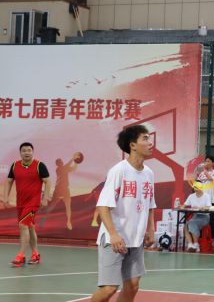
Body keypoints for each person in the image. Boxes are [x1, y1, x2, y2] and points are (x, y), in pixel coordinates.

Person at [91, 125, 156, 302]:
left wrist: (151, 229)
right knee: (109, 289)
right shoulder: (118, 171)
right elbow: (103, 206)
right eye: (145, 138)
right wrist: (113, 234)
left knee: (133, 285)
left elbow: (150, 204)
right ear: (132, 145)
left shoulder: (149, 174)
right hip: (114, 239)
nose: (150, 143)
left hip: (136, 239)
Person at [3, 142, 51, 267]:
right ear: (20, 153)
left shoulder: (39, 165)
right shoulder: (15, 165)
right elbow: (9, 181)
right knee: (30, 227)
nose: (27, 153)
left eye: (29, 150)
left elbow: (47, 181)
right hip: (21, 202)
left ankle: (21, 256)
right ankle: (35, 254)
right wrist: (5, 197)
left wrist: (45, 198)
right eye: (24, 151)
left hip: (33, 202)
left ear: (32, 152)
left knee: (23, 225)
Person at [194, 155, 214, 240]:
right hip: (201, 200)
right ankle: (200, 238)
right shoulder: (202, 173)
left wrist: (204, 171)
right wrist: (197, 176)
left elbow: (211, 179)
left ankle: (213, 238)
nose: (206, 163)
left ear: (213, 163)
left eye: (208, 161)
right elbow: (197, 184)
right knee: (199, 219)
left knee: (211, 220)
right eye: (205, 161)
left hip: (210, 200)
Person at [49, 153, 79, 230]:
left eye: (61, 161)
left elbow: (74, 168)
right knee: (52, 205)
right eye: (60, 162)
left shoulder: (65, 168)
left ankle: (68, 221)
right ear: (57, 164)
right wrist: (73, 158)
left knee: (68, 205)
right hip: (58, 189)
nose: (61, 163)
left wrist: (76, 162)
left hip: (65, 189)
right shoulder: (59, 169)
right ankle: (46, 216)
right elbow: (67, 166)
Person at [182, 182, 212, 252]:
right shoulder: (191, 196)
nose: (196, 190)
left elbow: (208, 207)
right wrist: (181, 206)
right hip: (195, 216)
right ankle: (190, 244)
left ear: (201, 188)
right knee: (185, 226)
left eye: (197, 188)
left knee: (192, 223)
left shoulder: (206, 196)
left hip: (204, 216)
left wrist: (201, 208)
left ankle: (196, 244)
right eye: (195, 188)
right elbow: (184, 205)